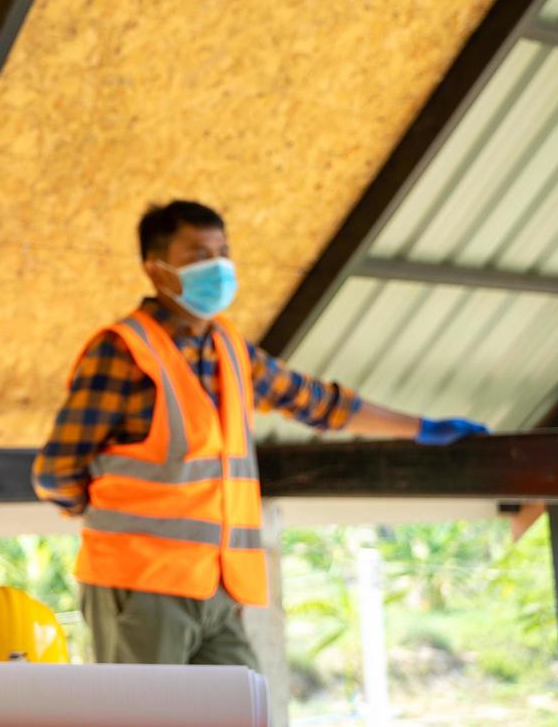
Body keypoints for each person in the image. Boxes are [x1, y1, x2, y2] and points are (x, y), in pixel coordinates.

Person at [32, 200, 488, 670]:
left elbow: (318, 403)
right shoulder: (124, 351)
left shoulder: (229, 348)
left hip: (218, 586)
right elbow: (55, 472)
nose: (217, 267)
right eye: (197, 256)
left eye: (222, 252)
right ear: (155, 269)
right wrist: (109, 517)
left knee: (242, 708)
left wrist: (419, 428)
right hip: (141, 585)